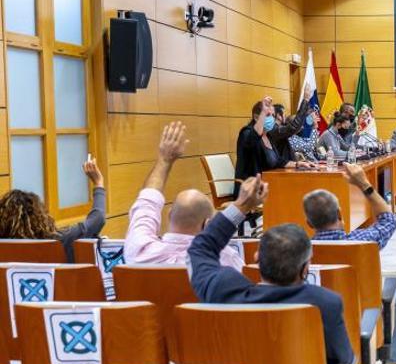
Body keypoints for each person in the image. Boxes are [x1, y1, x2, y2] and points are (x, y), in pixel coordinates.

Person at [186, 175, 376, 364]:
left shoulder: (223, 289)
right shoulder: (324, 303)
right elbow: (343, 361)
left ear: (256, 258)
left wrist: (242, 206)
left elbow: (200, 248)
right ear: (306, 267)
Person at [303, 163, 396, 364]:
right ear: (340, 214)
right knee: (394, 294)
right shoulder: (362, 241)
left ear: (308, 222)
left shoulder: (300, 250)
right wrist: (364, 184)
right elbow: (388, 220)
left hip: (315, 311)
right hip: (363, 308)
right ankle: (391, 361)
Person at [124, 121, 243, 270]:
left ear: (169, 216)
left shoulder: (139, 253)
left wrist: (164, 160)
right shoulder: (225, 260)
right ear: (207, 225)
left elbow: (146, 203)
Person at [0, 157, 105, 262]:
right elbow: (98, 219)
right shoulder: (60, 239)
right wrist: (98, 183)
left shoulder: (4, 247)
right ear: (40, 215)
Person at [233, 96, 312, 197]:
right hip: (250, 191)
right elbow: (254, 137)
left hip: (268, 185)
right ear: (256, 117)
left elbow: (278, 161)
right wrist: (263, 113)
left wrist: (297, 164)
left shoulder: (269, 136)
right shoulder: (246, 133)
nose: (271, 118)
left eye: (272, 115)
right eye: (268, 115)